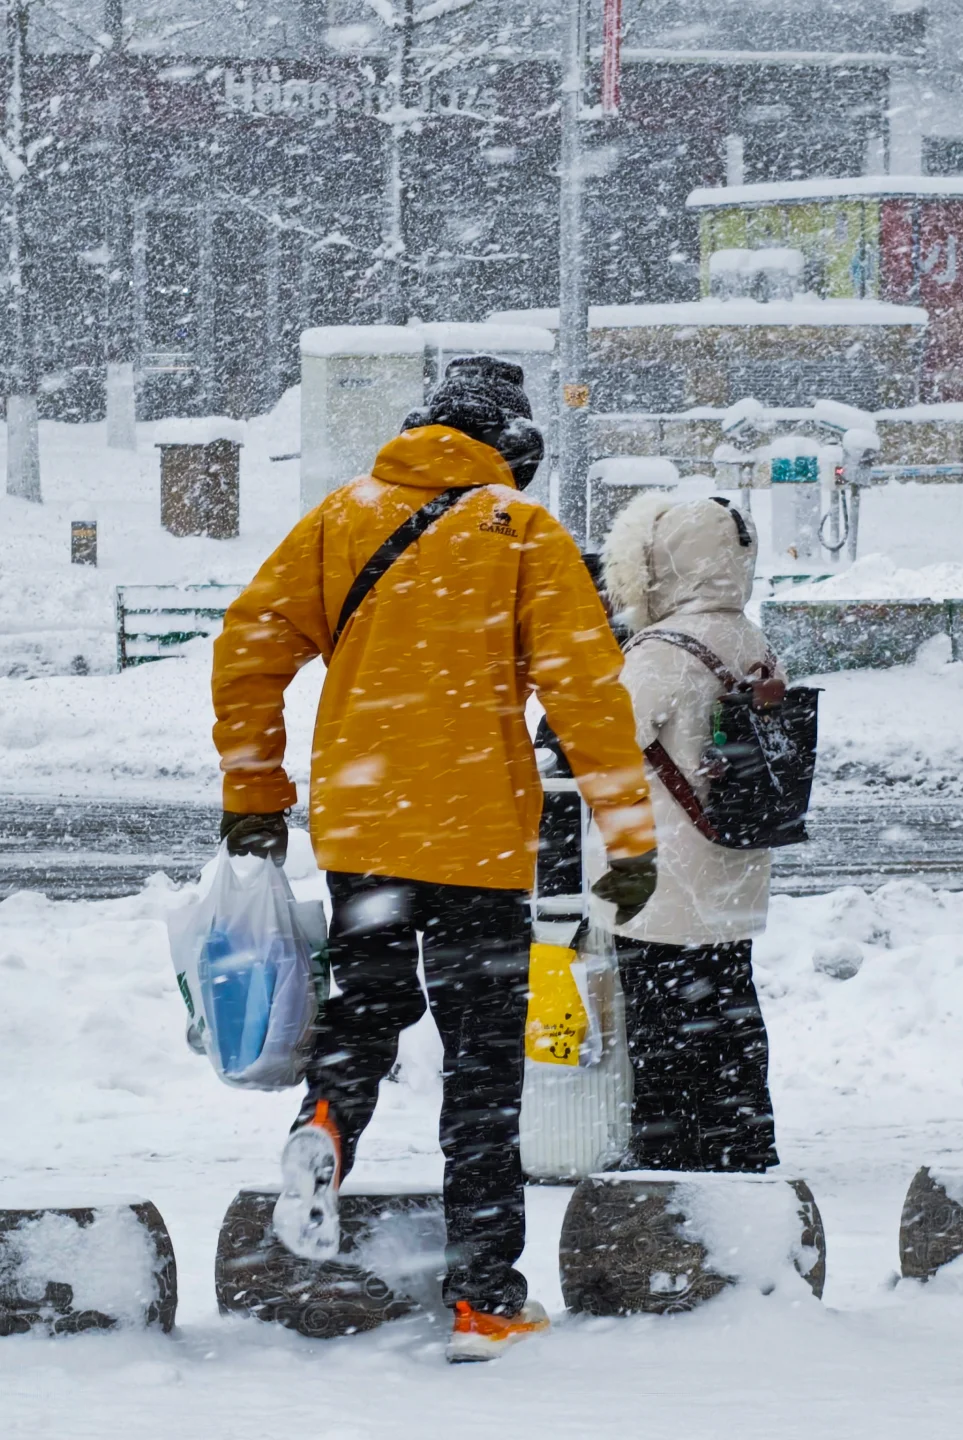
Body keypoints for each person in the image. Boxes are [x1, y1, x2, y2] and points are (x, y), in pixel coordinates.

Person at [211, 356, 657, 1362]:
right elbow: (587, 693)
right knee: (483, 1065)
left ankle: (327, 1122)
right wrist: (628, 835)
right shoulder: (524, 532)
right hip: (478, 840)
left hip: (365, 828)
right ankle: (483, 1298)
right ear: (516, 446)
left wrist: (253, 789)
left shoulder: (344, 516)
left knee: (368, 1006)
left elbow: (248, 646)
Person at [588, 489, 781, 1175]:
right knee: (730, 1008)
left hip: (666, 874)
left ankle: (666, 1154)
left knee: (662, 1020)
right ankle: (744, 1140)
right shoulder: (750, 637)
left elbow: (608, 744)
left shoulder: (661, 650)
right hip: (734, 859)